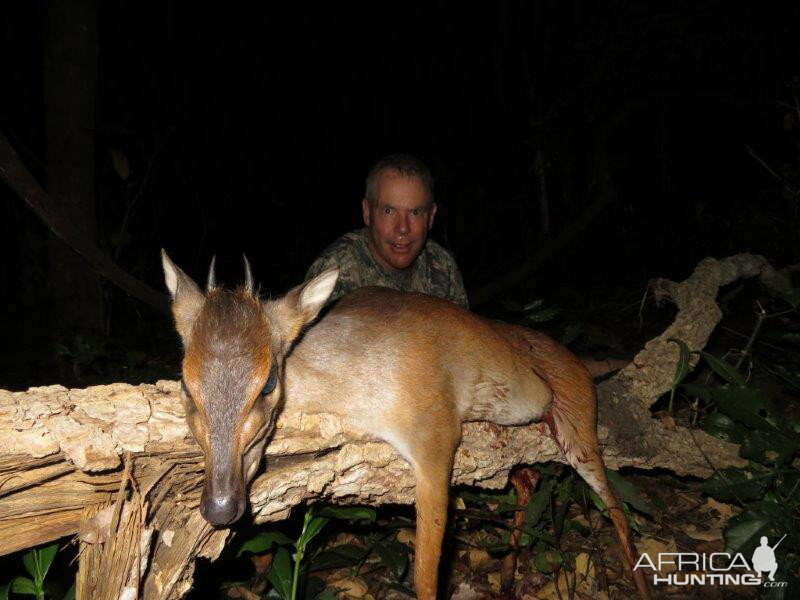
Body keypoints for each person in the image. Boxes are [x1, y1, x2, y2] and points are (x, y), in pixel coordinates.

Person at [305, 154, 468, 308]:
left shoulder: (442, 266)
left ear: (431, 216)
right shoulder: (331, 274)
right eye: (388, 211)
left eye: (415, 212)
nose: (403, 228)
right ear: (367, 212)